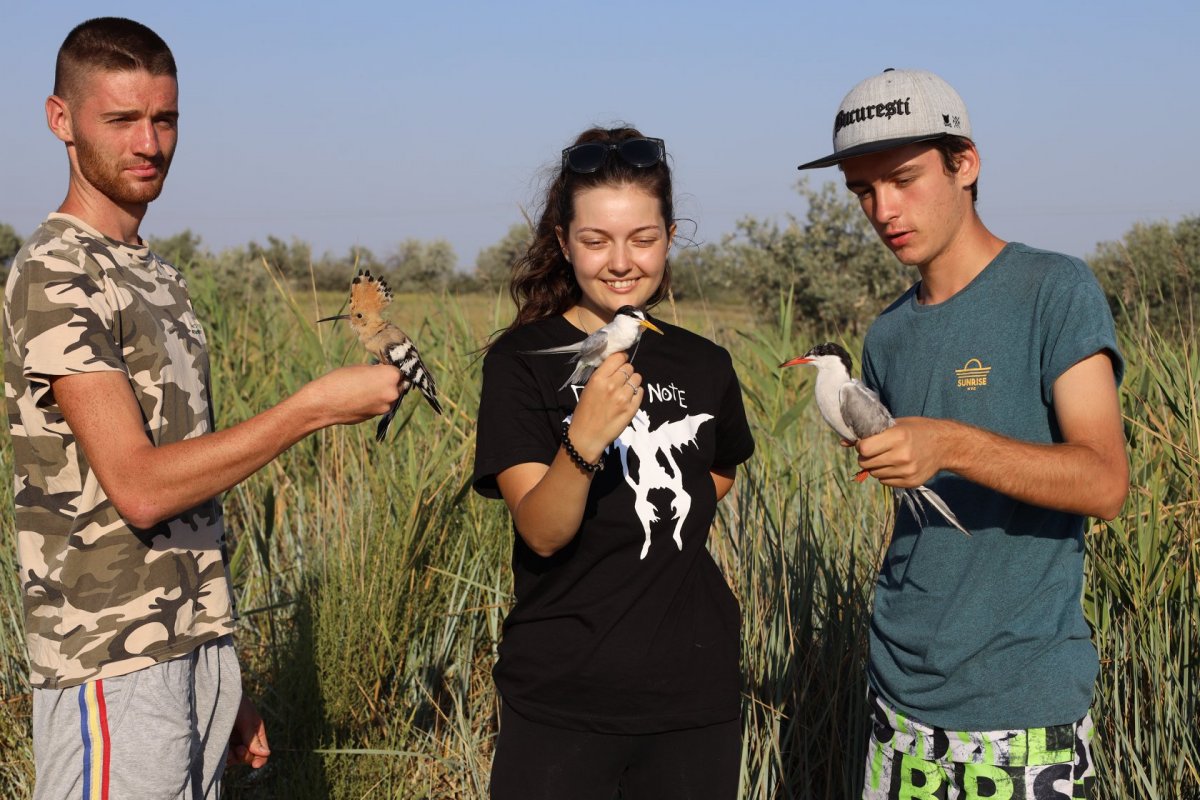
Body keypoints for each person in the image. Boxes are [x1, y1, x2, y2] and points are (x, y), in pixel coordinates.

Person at [3, 17, 403, 798]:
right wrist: (312, 407)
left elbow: (184, 505)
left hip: (186, 653)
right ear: (62, 120)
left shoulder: (160, 277)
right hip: (110, 663)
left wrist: (221, 674)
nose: (148, 142)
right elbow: (141, 485)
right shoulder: (57, 272)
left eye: (165, 118)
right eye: (120, 120)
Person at [797, 68, 1128, 798]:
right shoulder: (886, 334)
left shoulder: (1055, 290)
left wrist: (950, 444)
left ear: (965, 164)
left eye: (904, 178)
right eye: (862, 190)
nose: (883, 208)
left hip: (1020, 706)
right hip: (896, 695)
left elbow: (1105, 483)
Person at [472, 127, 755, 799]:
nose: (621, 261)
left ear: (671, 236)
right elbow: (541, 530)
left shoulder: (703, 363)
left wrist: (657, 514)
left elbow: (720, 469)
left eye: (643, 239)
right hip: (562, 698)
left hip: (693, 697)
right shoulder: (523, 362)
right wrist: (585, 440)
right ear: (564, 242)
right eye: (596, 241)